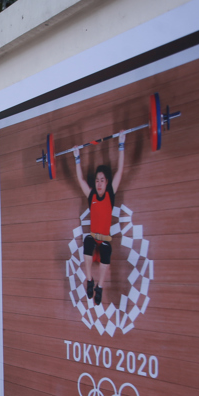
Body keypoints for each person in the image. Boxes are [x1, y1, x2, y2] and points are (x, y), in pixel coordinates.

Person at [72, 131, 125, 306]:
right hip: (93, 241)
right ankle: (90, 281)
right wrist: (77, 158)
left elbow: (120, 171)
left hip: (104, 242)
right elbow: (79, 179)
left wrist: (121, 145)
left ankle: (100, 287)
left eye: (102, 180)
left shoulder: (110, 193)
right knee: (87, 240)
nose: (99, 183)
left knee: (107, 249)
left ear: (107, 182)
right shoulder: (91, 195)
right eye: (97, 180)